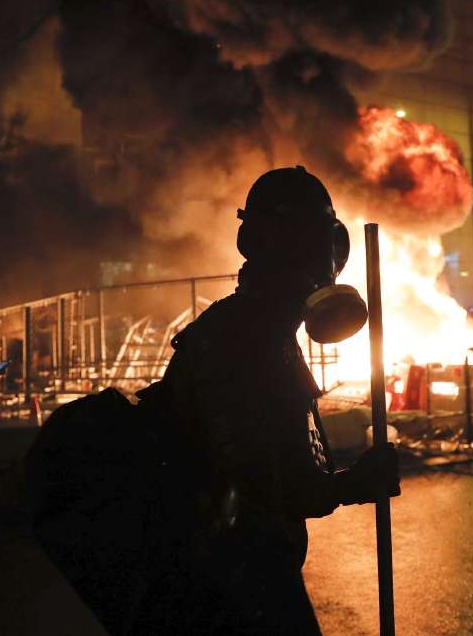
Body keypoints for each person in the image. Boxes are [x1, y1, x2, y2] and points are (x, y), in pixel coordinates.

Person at [137, 166, 400, 635]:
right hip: (232, 590)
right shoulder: (240, 341)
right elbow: (264, 489)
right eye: (313, 242)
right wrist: (352, 485)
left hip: (244, 577)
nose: (324, 260)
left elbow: (283, 467)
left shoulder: (263, 333)